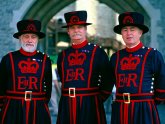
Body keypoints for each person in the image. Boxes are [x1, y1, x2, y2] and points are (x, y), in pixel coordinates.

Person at [109, 12, 165, 124]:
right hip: (120, 108)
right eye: (125, 29)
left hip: (144, 108)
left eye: (132, 29)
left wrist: (152, 102)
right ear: (121, 33)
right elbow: (111, 80)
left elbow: (162, 80)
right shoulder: (116, 57)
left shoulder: (152, 55)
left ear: (140, 32)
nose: (128, 33)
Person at [56, 10, 111, 124]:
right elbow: (63, 78)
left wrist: (97, 99)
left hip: (90, 103)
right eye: (72, 28)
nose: (76, 30)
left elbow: (108, 79)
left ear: (85, 30)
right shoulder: (63, 55)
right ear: (68, 31)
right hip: (67, 103)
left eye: (80, 27)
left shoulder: (98, 52)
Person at [0, 19, 52, 124]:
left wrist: (41, 103)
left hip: (38, 107)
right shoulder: (8, 59)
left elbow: (48, 89)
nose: (30, 40)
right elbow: (1, 86)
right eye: (26, 36)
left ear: (38, 39)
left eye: (33, 37)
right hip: (13, 107)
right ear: (20, 38)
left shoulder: (45, 60)